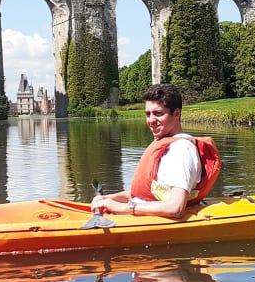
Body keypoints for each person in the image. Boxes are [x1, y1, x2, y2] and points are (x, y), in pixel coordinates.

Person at [91, 83, 221, 219]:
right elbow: (148, 193)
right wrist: (108, 199)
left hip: (153, 219)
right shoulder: (165, 143)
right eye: (148, 114)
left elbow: (175, 207)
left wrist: (123, 207)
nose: (151, 120)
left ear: (176, 114)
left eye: (158, 113)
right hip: (140, 213)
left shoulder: (181, 150)